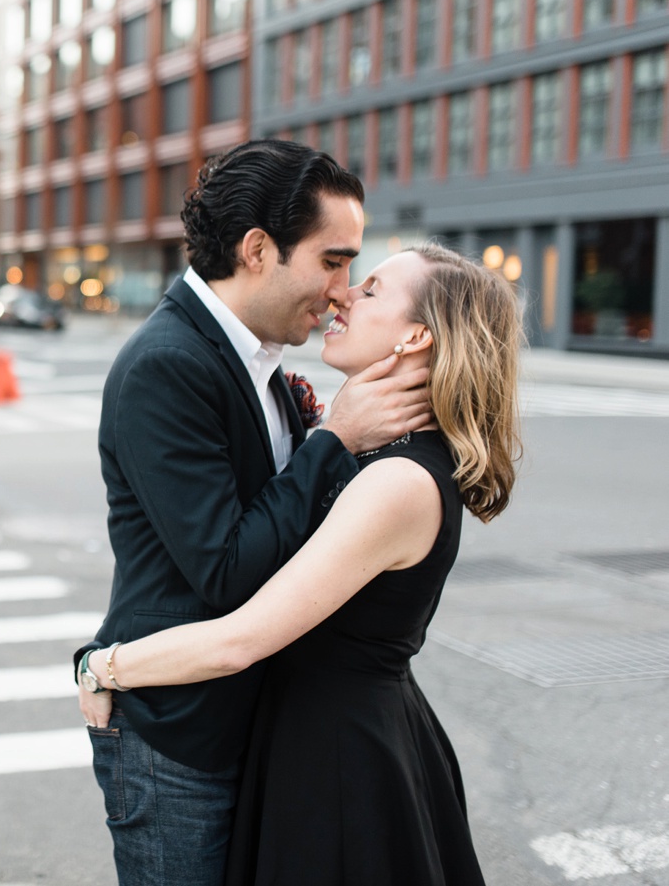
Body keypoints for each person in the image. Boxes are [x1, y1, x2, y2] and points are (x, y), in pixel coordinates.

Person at [81, 243, 521, 885]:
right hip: (316, 740)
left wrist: (104, 667)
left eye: (369, 289)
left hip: (339, 763)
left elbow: (242, 641)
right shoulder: (380, 455)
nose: (343, 294)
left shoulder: (397, 480)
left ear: (417, 336)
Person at [75, 140, 432, 886]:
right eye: (333, 261)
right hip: (182, 740)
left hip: (261, 731)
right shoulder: (167, 364)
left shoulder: (258, 359)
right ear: (259, 248)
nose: (341, 290)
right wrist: (331, 438)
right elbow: (228, 569)